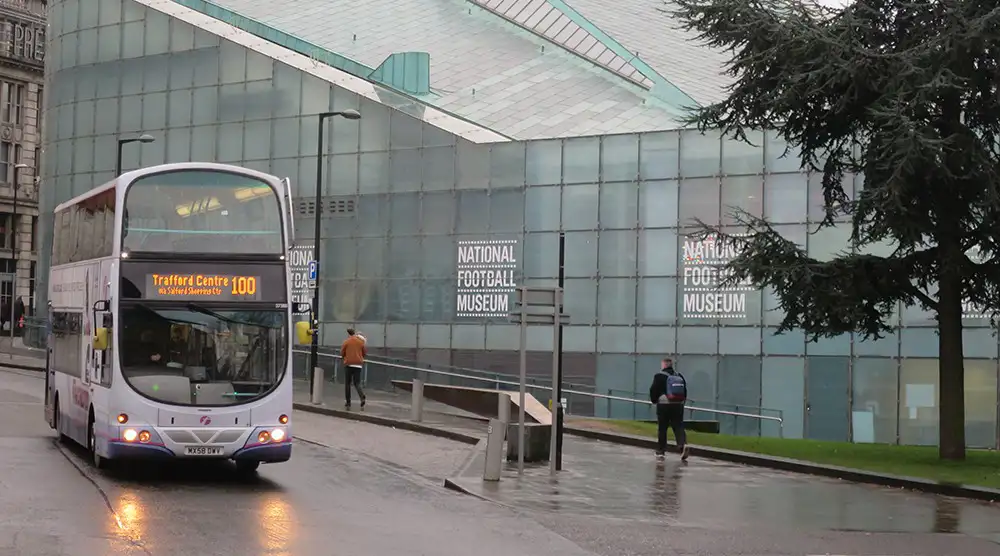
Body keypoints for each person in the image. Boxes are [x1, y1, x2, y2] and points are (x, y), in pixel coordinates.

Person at [649, 357, 689, 461]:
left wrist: (654, 400)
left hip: (664, 404)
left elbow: (653, 390)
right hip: (678, 404)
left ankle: (661, 450)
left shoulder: (659, 376)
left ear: (663, 365)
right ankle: (682, 445)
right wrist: (682, 403)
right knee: (678, 426)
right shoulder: (679, 376)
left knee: (663, 427)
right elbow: (684, 391)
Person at [341, 327, 367, 409]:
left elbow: (342, 352)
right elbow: (364, 352)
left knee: (348, 384)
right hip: (358, 365)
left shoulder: (346, 341)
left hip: (349, 364)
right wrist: (360, 357)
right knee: (357, 383)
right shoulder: (360, 342)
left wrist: (345, 358)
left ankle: (348, 403)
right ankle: (362, 396)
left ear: (348, 333)